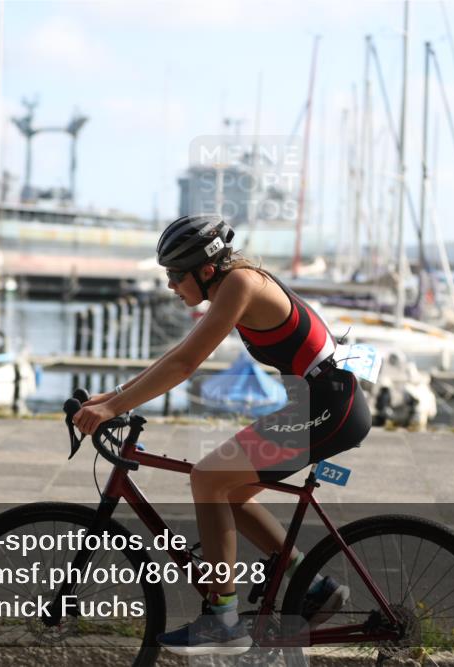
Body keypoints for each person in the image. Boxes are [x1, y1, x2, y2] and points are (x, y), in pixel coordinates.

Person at [73, 214, 372, 656]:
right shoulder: (233, 284)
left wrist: (115, 407)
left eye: (176, 274)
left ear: (206, 270)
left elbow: (184, 365)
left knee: (208, 477)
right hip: (318, 403)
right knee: (227, 489)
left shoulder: (241, 284)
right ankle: (313, 587)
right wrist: (111, 396)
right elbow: (178, 354)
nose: (172, 284)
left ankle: (223, 621)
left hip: (330, 406)